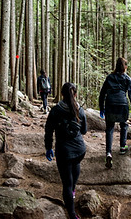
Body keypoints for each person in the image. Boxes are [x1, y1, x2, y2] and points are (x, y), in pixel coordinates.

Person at [44, 82, 87, 219]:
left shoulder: (56, 111)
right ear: (75, 94)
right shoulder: (80, 110)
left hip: (64, 152)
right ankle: (73, 189)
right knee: (75, 166)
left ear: (62, 94)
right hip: (80, 150)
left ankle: (72, 214)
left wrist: (48, 148)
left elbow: (48, 131)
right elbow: (84, 130)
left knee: (66, 184)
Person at [99, 57, 131, 169]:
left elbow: (102, 94)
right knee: (124, 125)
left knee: (110, 128)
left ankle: (108, 153)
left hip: (110, 104)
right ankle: (122, 147)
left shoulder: (109, 77)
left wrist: (102, 108)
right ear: (125, 67)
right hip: (122, 104)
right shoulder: (127, 79)